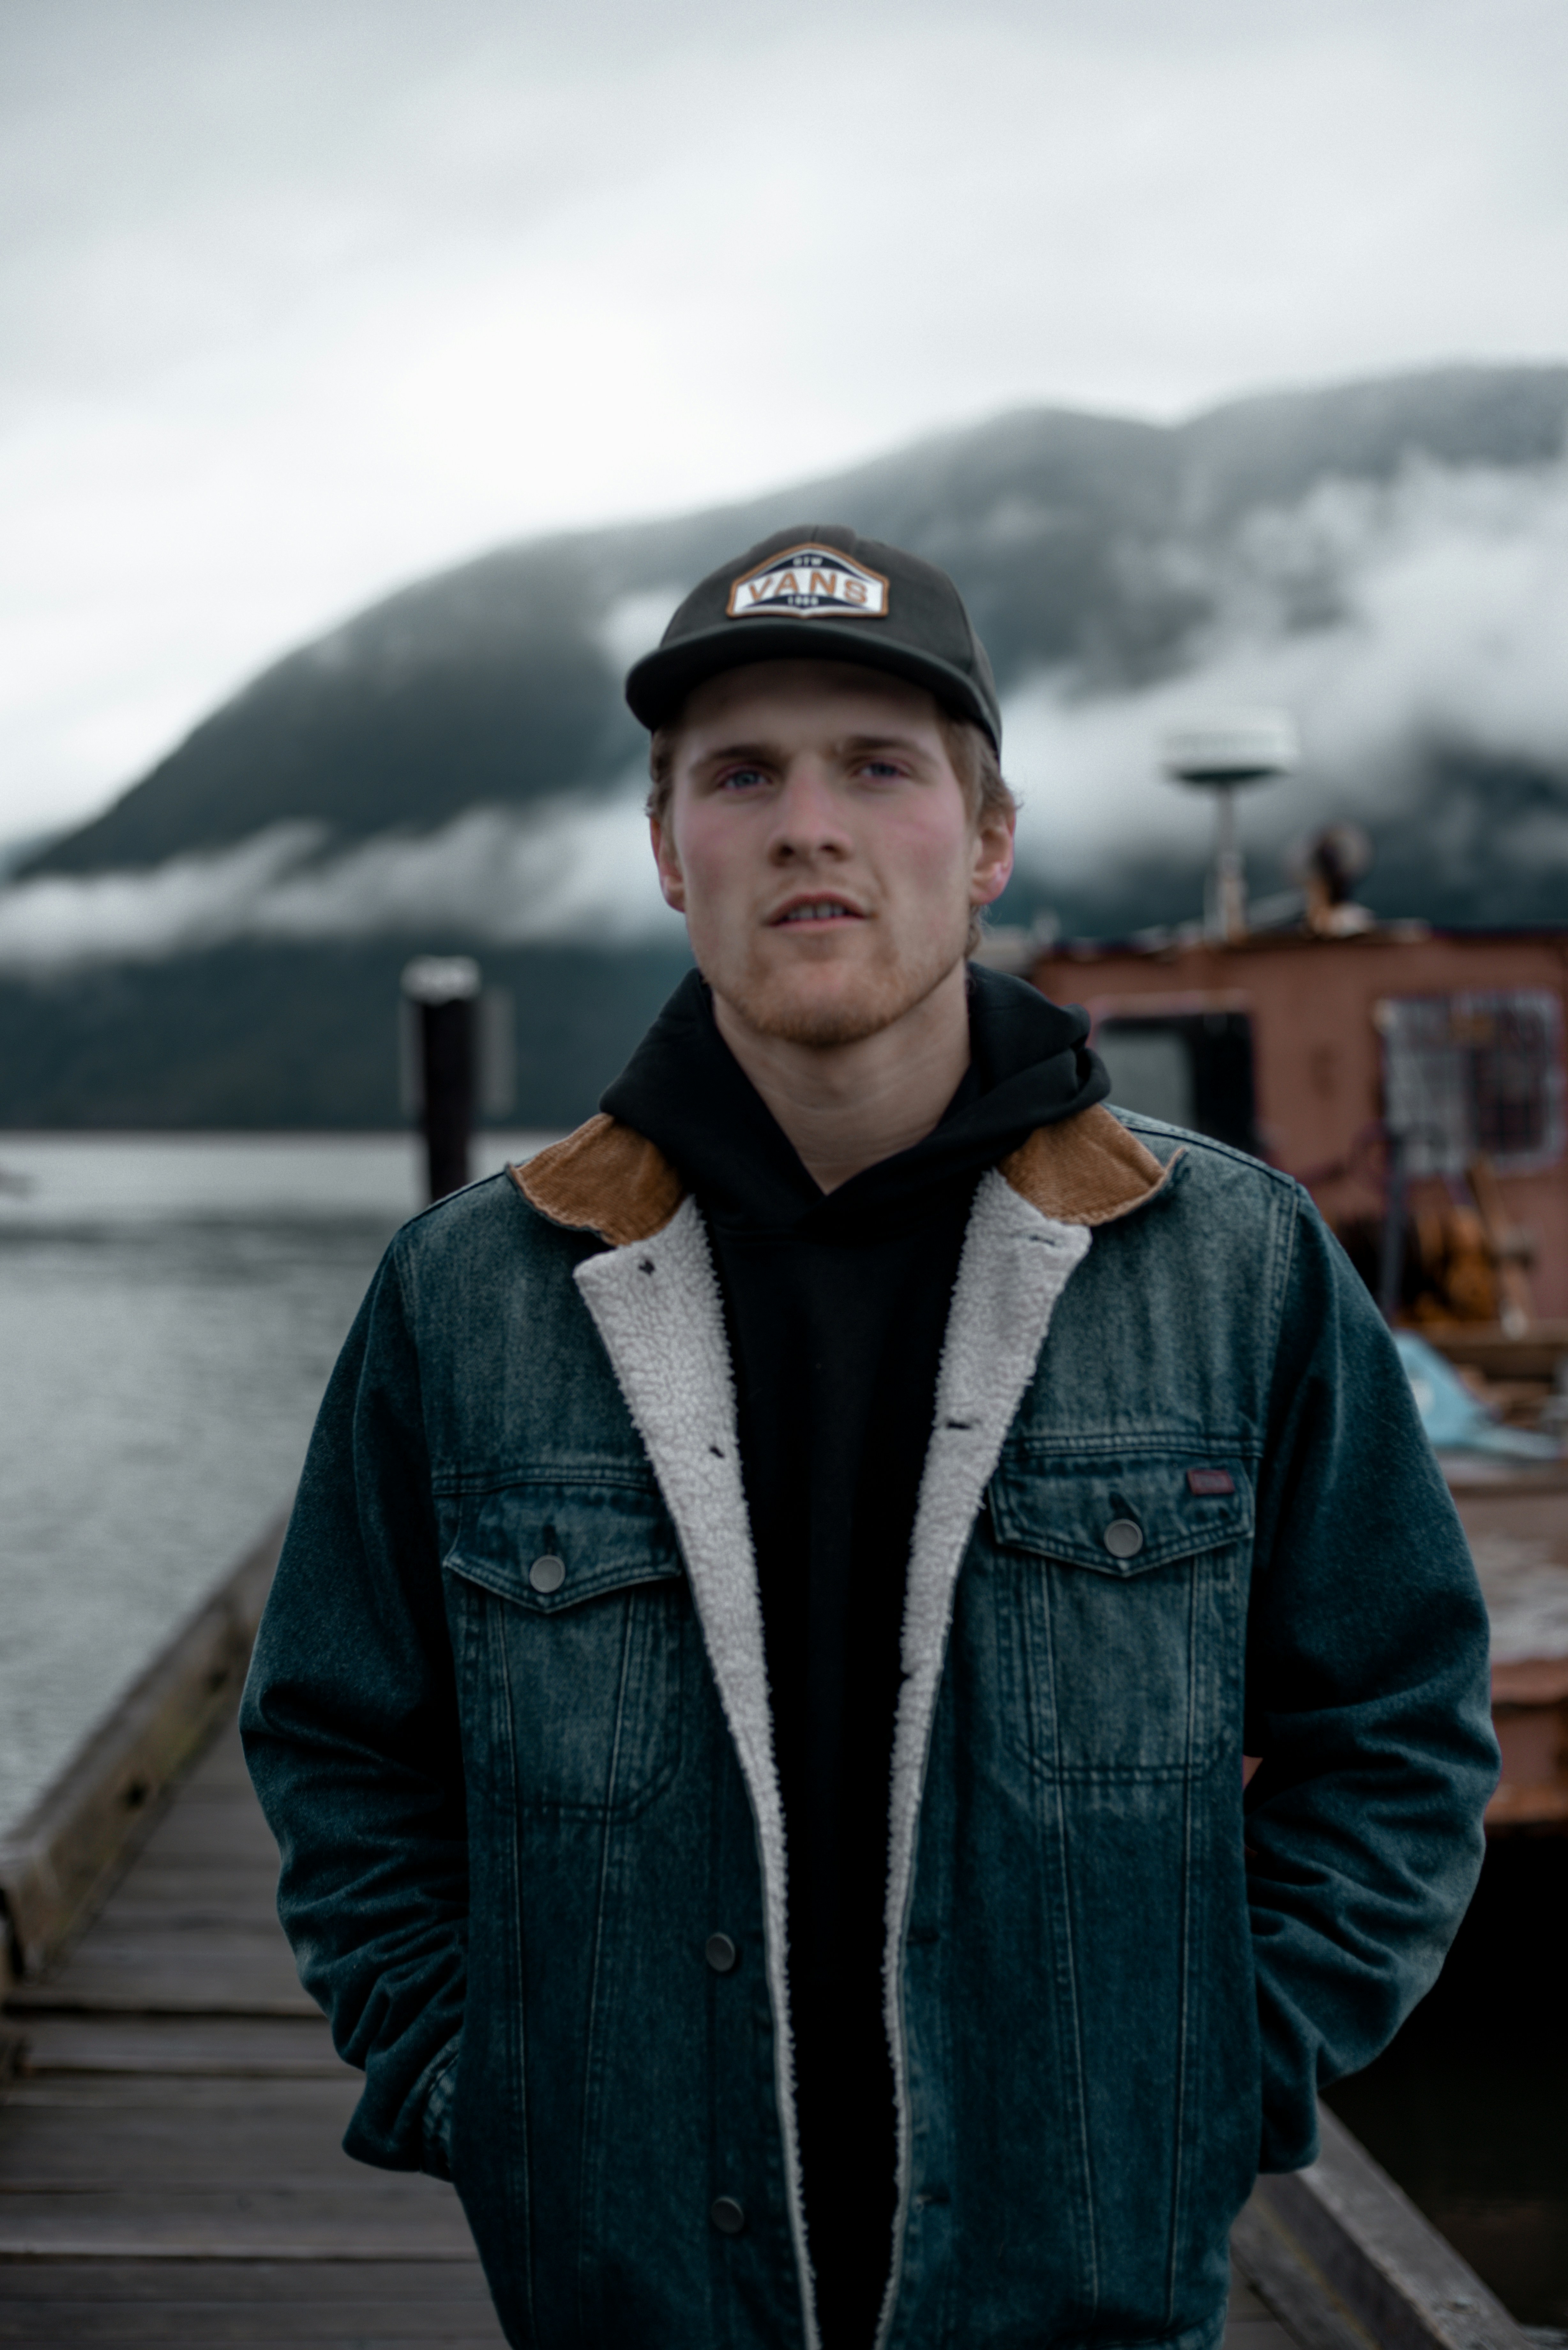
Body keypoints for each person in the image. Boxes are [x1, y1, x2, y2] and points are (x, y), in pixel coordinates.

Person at [242, 524, 1498, 2350]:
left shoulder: (1235, 1271)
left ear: (987, 846)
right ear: (673, 854)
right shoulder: (473, 1297)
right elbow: (338, 1746)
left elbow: (1397, 1728)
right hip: (628, 2291)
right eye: (741, 776)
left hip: (1083, 2295)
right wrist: (481, 2088)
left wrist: (1220, 2070)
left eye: (877, 767)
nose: (807, 824)